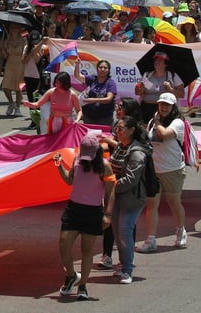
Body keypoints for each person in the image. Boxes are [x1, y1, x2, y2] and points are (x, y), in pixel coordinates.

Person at [54, 132, 115, 301]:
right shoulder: (77, 160)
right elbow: (69, 181)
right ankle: (72, 275)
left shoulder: (104, 166)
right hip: (73, 209)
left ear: (97, 152)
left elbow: (110, 192)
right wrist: (59, 165)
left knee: (87, 251)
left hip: (93, 211)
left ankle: (83, 286)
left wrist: (108, 215)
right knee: (63, 243)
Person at [136, 92, 188, 253]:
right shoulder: (153, 121)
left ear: (173, 107)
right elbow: (147, 139)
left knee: (174, 202)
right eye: (161, 104)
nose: (164, 107)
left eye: (167, 104)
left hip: (172, 169)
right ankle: (151, 239)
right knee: (152, 204)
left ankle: (181, 231)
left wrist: (157, 122)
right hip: (154, 170)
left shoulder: (178, 123)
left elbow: (164, 135)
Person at [110, 116, 151, 284]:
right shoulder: (120, 146)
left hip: (132, 197)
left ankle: (127, 270)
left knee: (125, 231)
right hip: (117, 195)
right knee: (117, 231)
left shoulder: (137, 153)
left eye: (121, 129)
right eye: (116, 129)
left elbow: (131, 180)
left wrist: (110, 186)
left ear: (132, 130)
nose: (117, 132)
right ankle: (123, 264)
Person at [134, 50, 185, 122]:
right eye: (155, 60)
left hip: (165, 110)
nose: (156, 62)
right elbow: (137, 92)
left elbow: (182, 94)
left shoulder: (173, 76)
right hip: (146, 109)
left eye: (160, 60)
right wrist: (140, 89)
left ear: (165, 64)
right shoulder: (147, 75)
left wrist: (170, 89)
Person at [74, 59, 117, 126]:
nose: (102, 69)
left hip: (105, 118)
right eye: (100, 67)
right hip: (89, 117)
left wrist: (93, 100)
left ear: (108, 70)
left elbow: (108, 99)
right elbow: (77, 76)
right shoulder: (92, 79)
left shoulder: (111, 83)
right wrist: (77, 64)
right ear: (97, 69)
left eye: (105, 68)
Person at [0, 23, 26, 116]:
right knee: (5, 86)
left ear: (19, 29)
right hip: (9, 64)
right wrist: (2, 47)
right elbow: (5, 56)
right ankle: (11, 103)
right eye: (12, 27)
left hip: (20, 64)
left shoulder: (24, 40)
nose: (14, 29)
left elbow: (25, 54)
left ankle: (18, 107)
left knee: (19, 88)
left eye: (16, 27)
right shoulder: (7, 40)